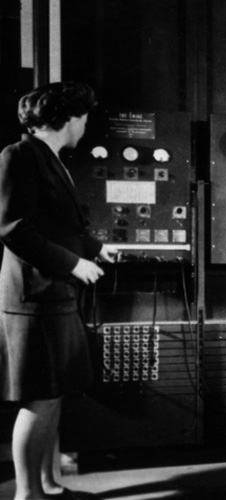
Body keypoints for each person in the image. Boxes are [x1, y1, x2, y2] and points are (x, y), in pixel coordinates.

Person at [0, 82, 116, 500]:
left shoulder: (52, 160)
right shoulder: (19, 155)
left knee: (54, 395)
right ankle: (27, 494)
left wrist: (100, 249)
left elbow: (62, 227)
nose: (85, 128)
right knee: (39, 399)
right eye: (84, 120)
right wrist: (75, 264)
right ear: (67, 119)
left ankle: (48, 484)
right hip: (33, 299)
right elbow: (13, 229)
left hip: (56, 296)